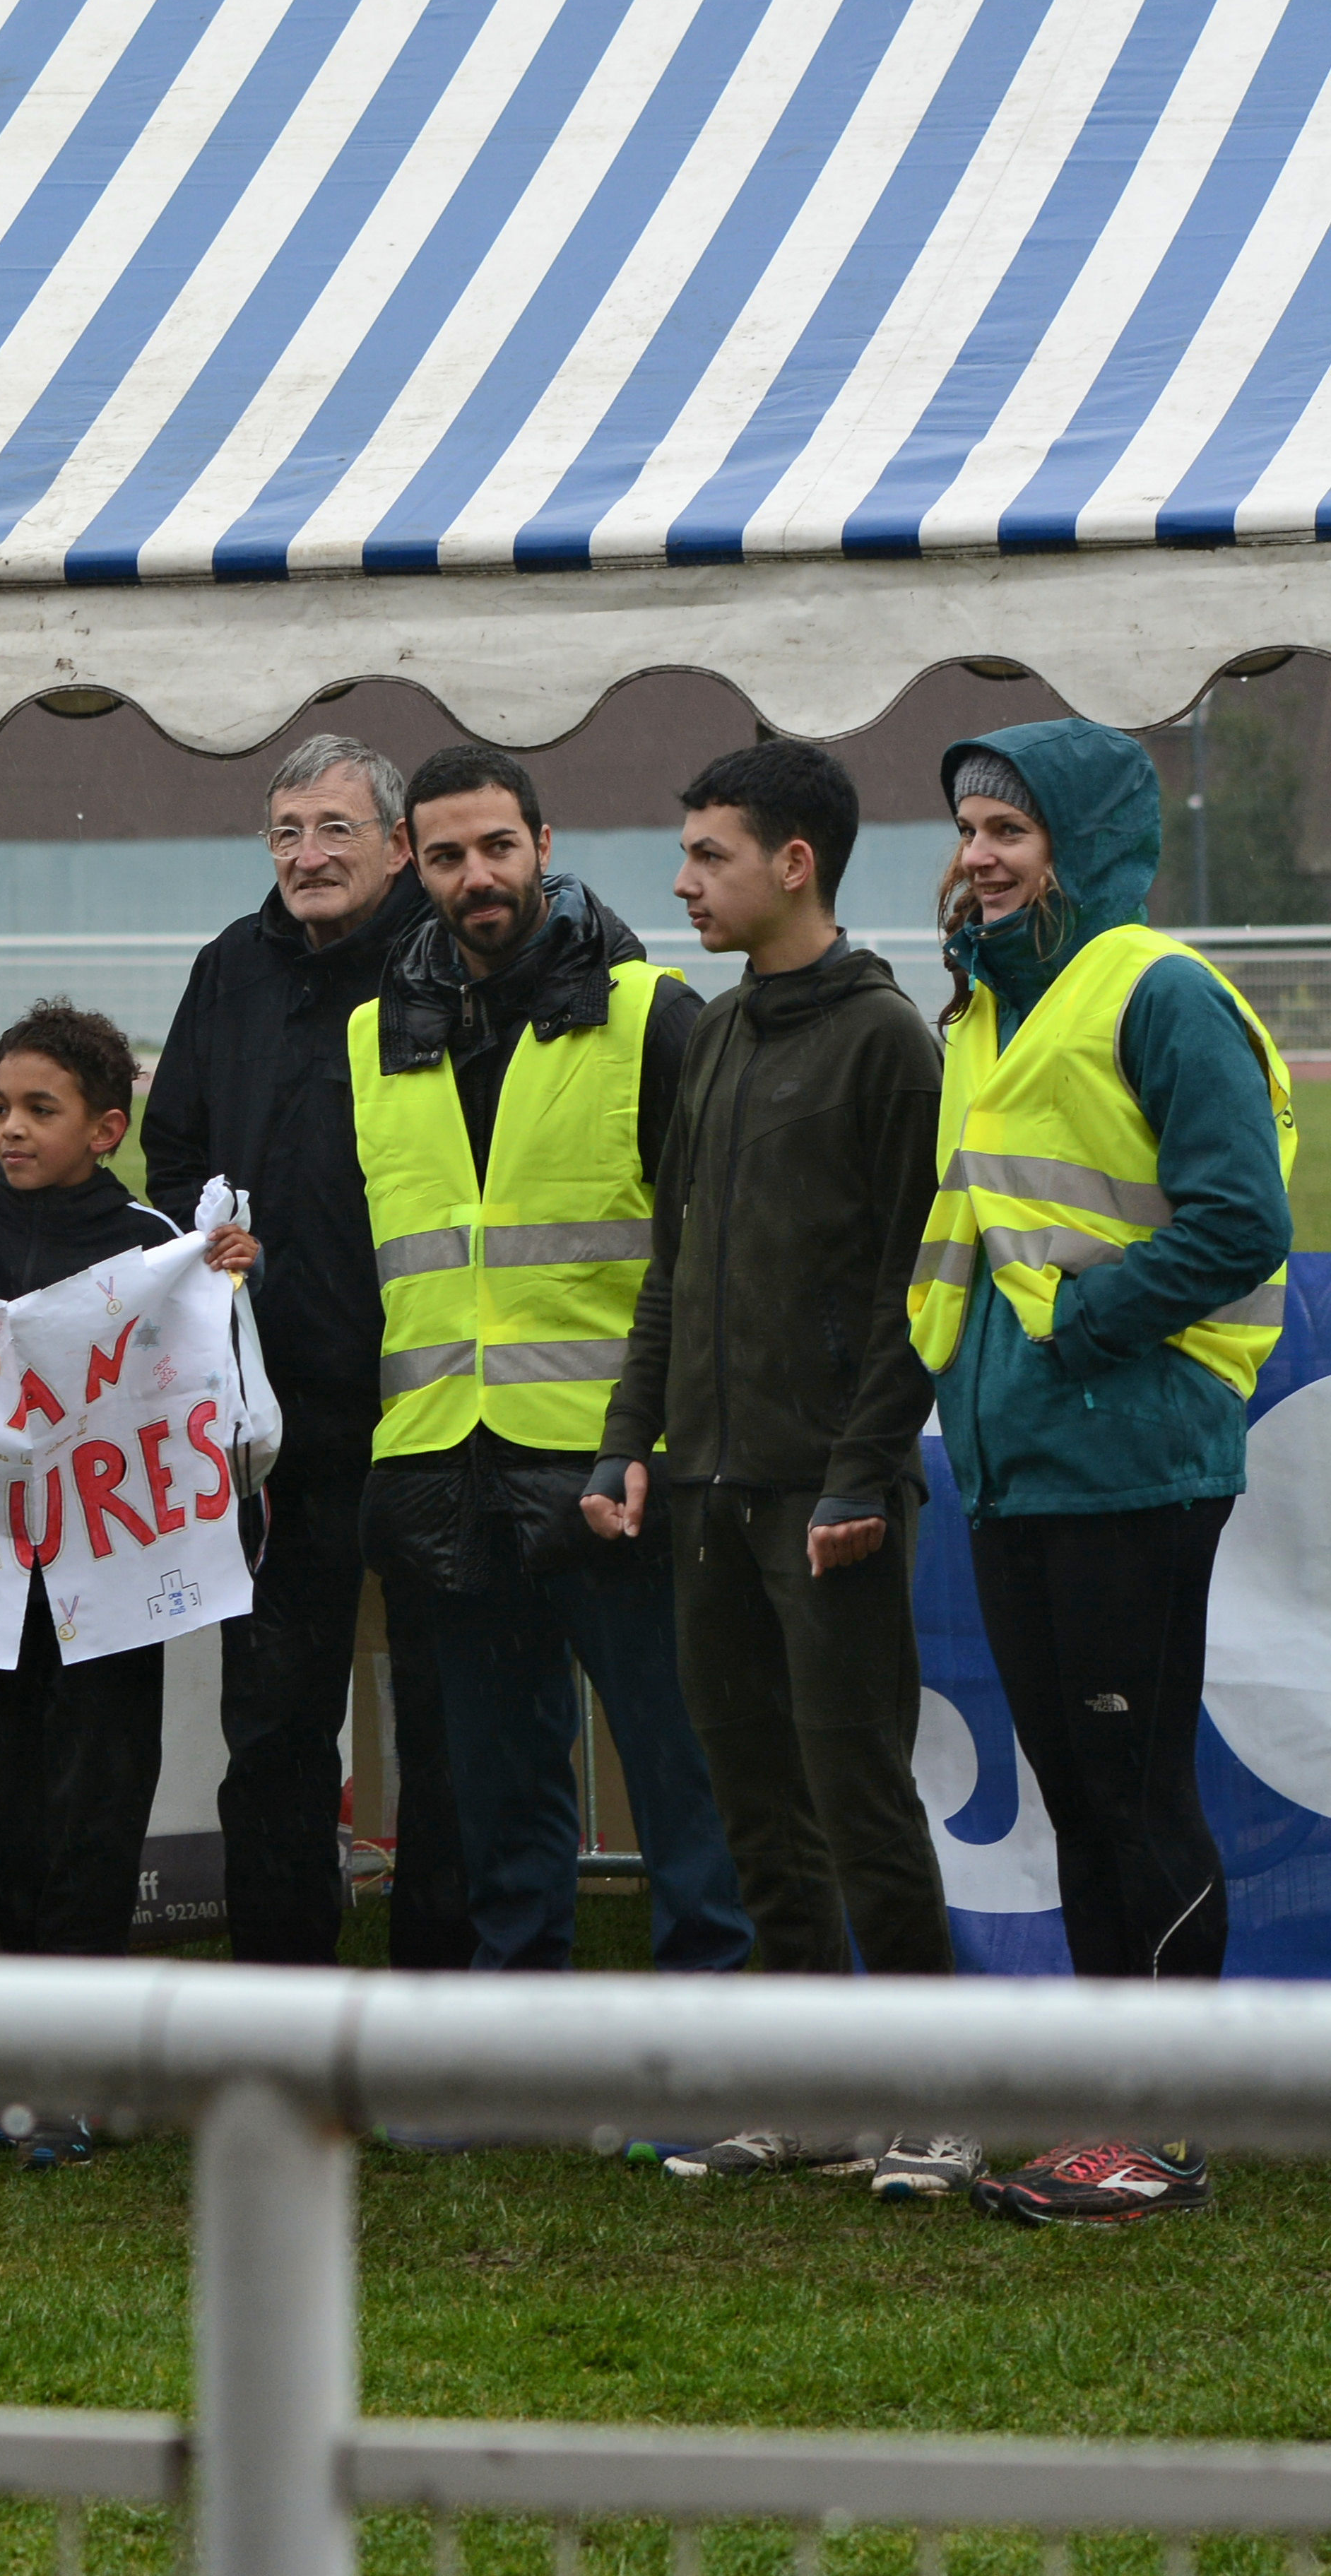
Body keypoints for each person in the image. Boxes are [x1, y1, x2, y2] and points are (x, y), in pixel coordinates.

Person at [913, 723, 1292, 2226]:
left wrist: (1077, 1328)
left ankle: (1167, 2130)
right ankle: (1107, 2110)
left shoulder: (1160, 989)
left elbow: (1240, 1219)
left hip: (1130, 1455)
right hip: (1018, 1460)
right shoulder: (984, 1004)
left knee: (1136, 1798)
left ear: (1080, 842)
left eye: (1010, 828)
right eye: (970, 828)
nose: (980, 855)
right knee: (1080, 1797)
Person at [581, 741, 969, 2196]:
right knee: (755, 1802)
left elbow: (913, 1282)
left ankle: (937, 2105)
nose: (683, 882)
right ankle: (812, 2104)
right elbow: (671, 1268)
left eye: (710, 856)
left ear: (794, 864)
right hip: (703, 1494)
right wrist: (630, 1441)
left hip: (830, 1500)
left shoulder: (889, 1042)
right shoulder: (720, 1034)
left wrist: (864, 1475)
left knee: (860, 1795)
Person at [352, 745, 747, 1978]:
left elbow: (718, 1254)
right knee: (498, 1791)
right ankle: (520, 2039)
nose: (476, 876)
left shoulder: (651, 1014)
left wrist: (671, 1443)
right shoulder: (372, 1035)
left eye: (498, 847)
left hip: (615, 1468)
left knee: (679, 1765)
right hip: (444, 1467)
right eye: (446, 855)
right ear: (411, 866)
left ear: (544, 845)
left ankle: (711, 2036)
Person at [0, 1003, 248, 2163]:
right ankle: (28, 2050)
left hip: (107, 1579)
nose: (12, 1129)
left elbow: (199, 1375)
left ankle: (78, 2067)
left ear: (107, 1129)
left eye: (41, 1109)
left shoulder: (147, 1238)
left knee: (97, 1805)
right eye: (0, 1107)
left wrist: (224, 1278)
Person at [142, 730, 474, 1973]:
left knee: (444, 1722)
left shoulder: (454, 965)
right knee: (275, 1725)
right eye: (287, 832)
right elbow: (174, 1150)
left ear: (399, 846)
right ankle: (281, 1995)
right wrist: (213, 1253)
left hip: (435, 1412)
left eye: (336, 829)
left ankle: (440, 1993)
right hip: (270, 1430)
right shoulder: (230, 967)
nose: (309, 854)